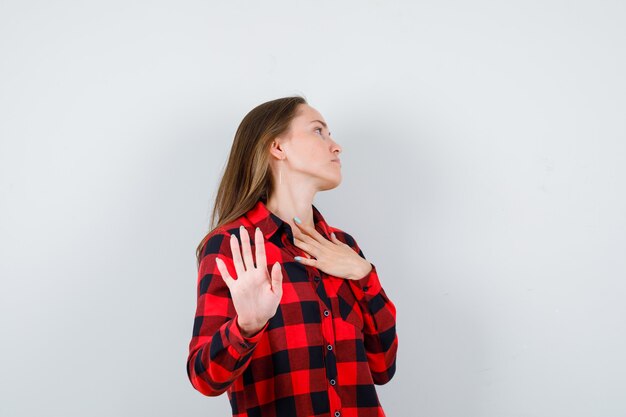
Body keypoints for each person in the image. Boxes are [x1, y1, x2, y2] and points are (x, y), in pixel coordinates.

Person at [186, 96, 398, 417]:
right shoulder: (233, 245)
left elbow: (383, 367)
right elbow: (204, 379)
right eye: (318, 131)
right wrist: (247, 327)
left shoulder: (345, 247)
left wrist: (364, 275)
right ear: (278, 148)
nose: (336, 146)